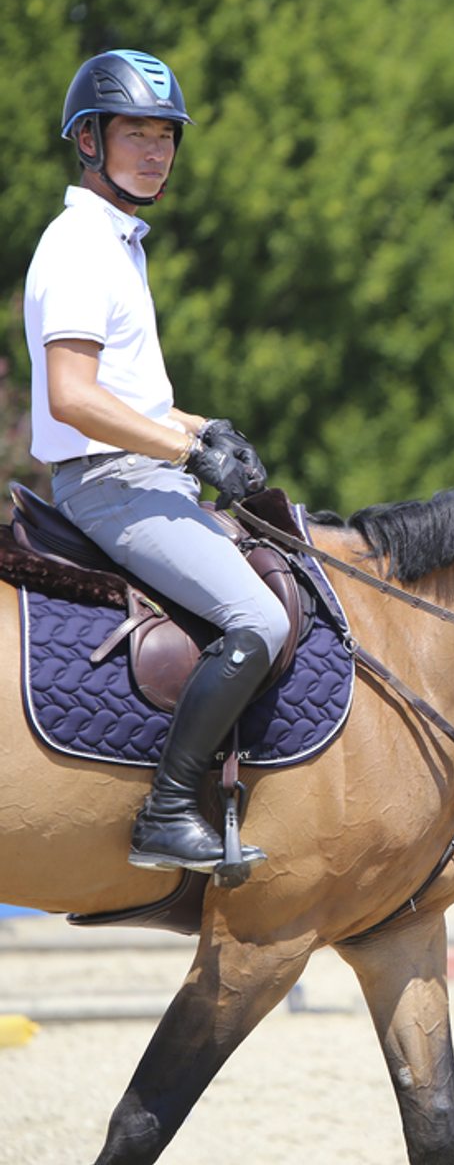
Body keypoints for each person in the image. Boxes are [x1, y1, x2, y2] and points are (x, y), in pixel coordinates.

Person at [23, 49, 291, 874]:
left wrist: (206, 427)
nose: (157, 150)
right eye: (136, 131)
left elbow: (128, 395)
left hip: (143, 470)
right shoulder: (78, 244)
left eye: (167, 135)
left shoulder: (118, 244)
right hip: (110, 485)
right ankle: (168, 811)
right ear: (90, 142)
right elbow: (72, 396)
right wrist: (185, 448)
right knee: (261, 620)